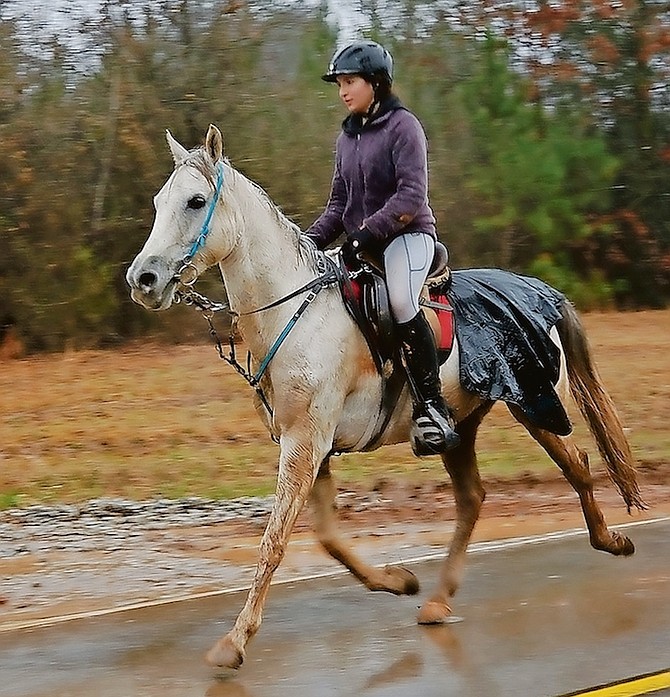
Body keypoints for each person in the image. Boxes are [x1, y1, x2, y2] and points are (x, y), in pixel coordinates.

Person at [306, 40, 460, 456]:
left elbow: (411, 198)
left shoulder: (403, 127)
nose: (342, 91)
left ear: (375, 82)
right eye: (339, 83)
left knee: (401, 302)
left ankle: (432, 409)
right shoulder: (346, 137)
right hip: (364, 246)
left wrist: (364, 235)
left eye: (350, 82)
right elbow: (338, 207)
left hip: (406, 239)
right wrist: (305, 244)